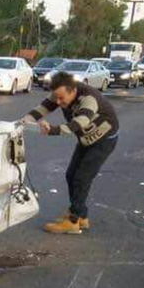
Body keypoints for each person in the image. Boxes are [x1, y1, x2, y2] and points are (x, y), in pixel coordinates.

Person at [22, 71, 119, 235]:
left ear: (73, 91)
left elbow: (79, 123)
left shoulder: (89, 98)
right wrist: (26, 120)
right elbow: (43, 108)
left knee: (82, 178)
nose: (58, 102)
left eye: (61, 98)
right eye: (56, 98)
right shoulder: (60, 92)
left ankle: (73, 221)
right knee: (71, 175)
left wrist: (52, 130)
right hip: (86, 139)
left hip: (103, 140)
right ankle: (81, 215)